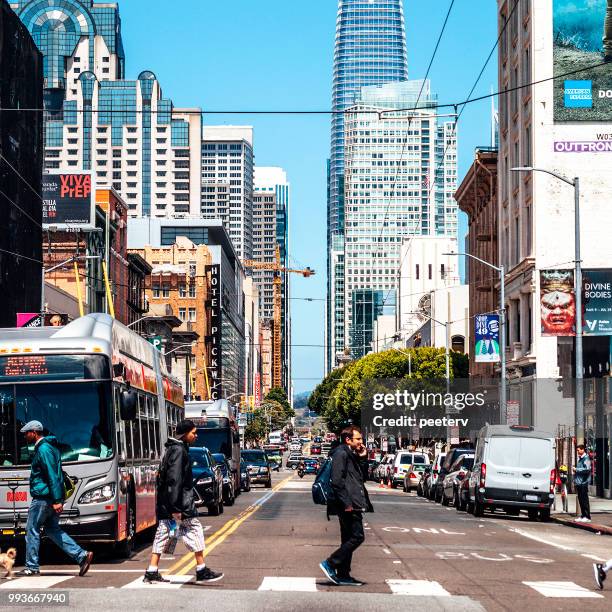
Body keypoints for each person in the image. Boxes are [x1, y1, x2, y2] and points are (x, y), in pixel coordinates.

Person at [143, 419, 223, 584]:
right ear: (185, 434)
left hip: (170, 503)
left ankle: (152, 570)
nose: (196, 435)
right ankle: (201, 569)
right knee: (195, 530)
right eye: (193, 433)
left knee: (163, 534)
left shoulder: (173, 449)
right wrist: (176, 507)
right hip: (179, 504)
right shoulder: (179, 451)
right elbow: (174, 480)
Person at [16, 421, 93, 577]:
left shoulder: (43, 449)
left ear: (34, 432)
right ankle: (81, 555)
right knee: (52, 530)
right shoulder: (48, 447)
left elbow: (52, 475)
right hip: (50, 497)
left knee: (32, 530)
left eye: (27, 433)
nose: (25, 436)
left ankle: (31, 566)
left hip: (43, 498)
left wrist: (57, 500)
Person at [319, 425, 373, 587]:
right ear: (348, 440)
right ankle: (331, 563)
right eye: (358, 439)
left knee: (348, 539)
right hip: (348, 503)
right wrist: (347, 503)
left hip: (352, 502)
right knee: (357, 536)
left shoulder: (350, 454)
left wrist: (362, 457)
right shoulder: (341, 454)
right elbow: (337, 481)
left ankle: (343, 574)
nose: (361, 442)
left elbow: (361, 478)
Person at [573, 444, 591, 523]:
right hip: (579, 483)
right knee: (580, 500)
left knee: (584, 500)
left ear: (583, 450)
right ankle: (583, 515)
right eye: (577, 450)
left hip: (583, 482)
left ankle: (587, 516)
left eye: (578, 450)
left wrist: (577, 469)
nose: (577, 451)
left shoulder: (586, 458)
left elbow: (587, 469)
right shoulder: (580, 459)